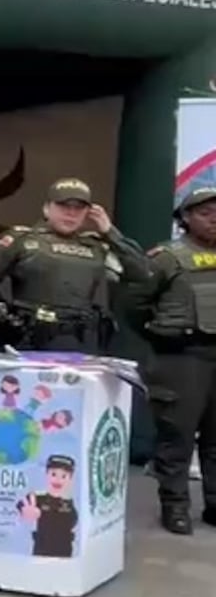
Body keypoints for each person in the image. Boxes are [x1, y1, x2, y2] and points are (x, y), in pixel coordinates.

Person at [125, 186, 216, 535]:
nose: (214, 219)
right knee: (176, 437)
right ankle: (175, 506)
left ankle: (214, 504)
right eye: (205, 213)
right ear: (186, 218)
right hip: (182, 358)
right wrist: (159, 334)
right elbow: (134, 302)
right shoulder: (166, 256)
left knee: (215, 438)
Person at [0, 178, 149, 353]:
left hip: (80, 342)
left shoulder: (97, 246)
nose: (71, 213)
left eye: (78, 208)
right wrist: (5, 319)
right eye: (64, 206)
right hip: (29, 339)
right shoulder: (21, 240)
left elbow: (140, 273)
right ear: (47, 208)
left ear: (88, 212)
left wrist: (110, 232)